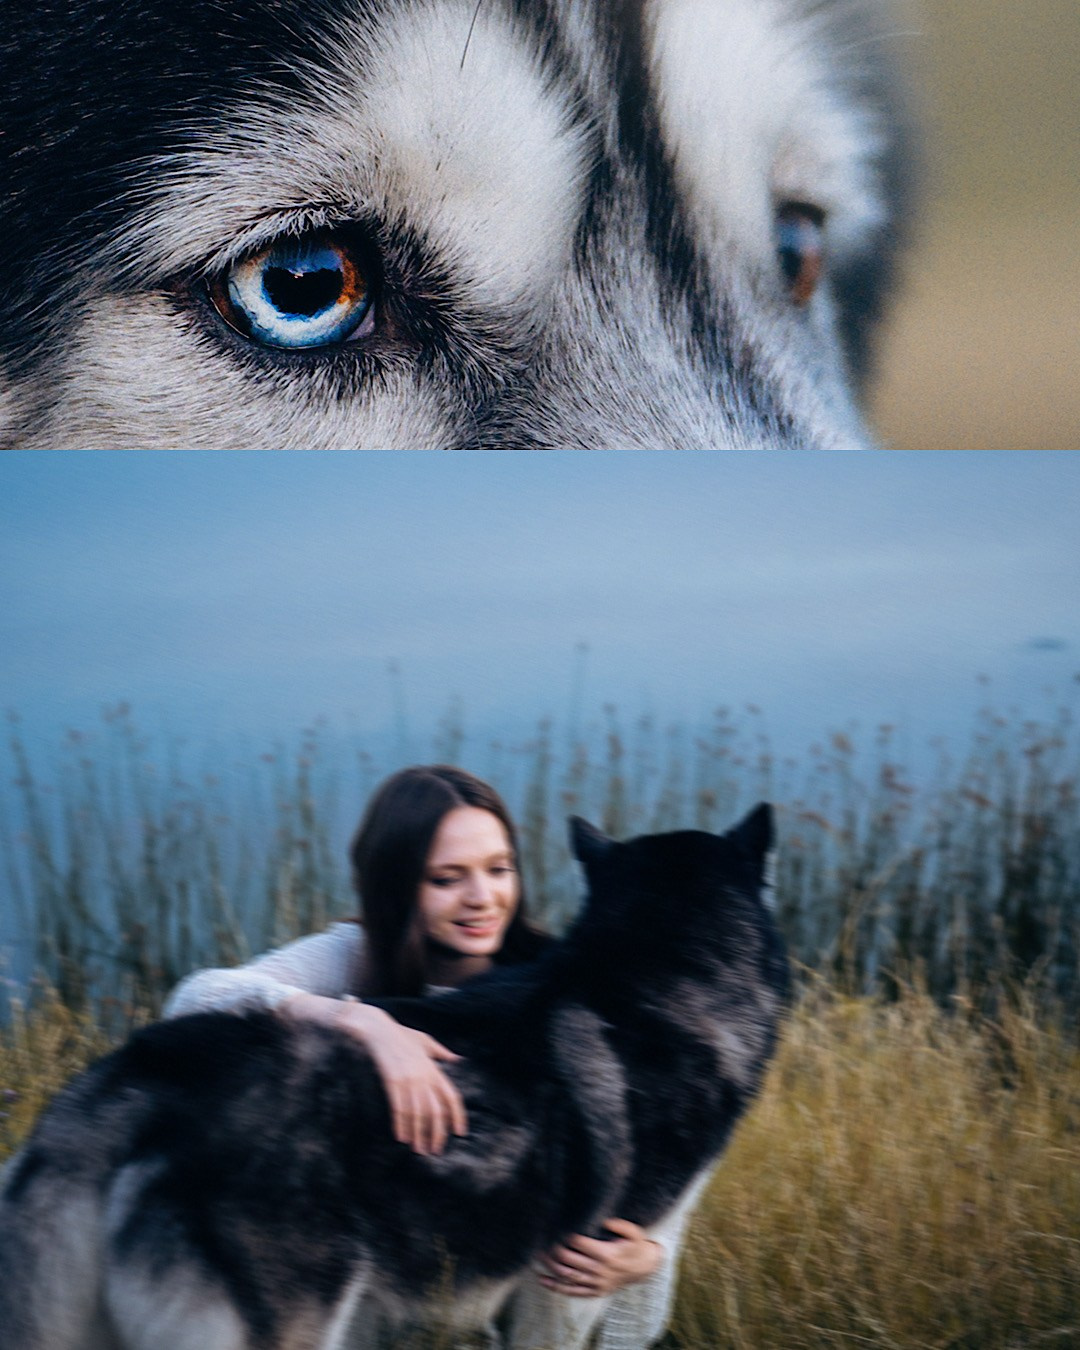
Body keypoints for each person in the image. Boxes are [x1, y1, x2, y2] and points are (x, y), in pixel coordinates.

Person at [164, 764, 691, 1349]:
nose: (482, 898)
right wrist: (363, 1021)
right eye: (447, 878)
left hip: (533, 1304)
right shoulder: (353, 957)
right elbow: (195, 1000)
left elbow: (669, 1151)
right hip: (380, 1283)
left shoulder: (564, 982)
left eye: (499, 869)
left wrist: (651, 1254)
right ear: (397, 884)